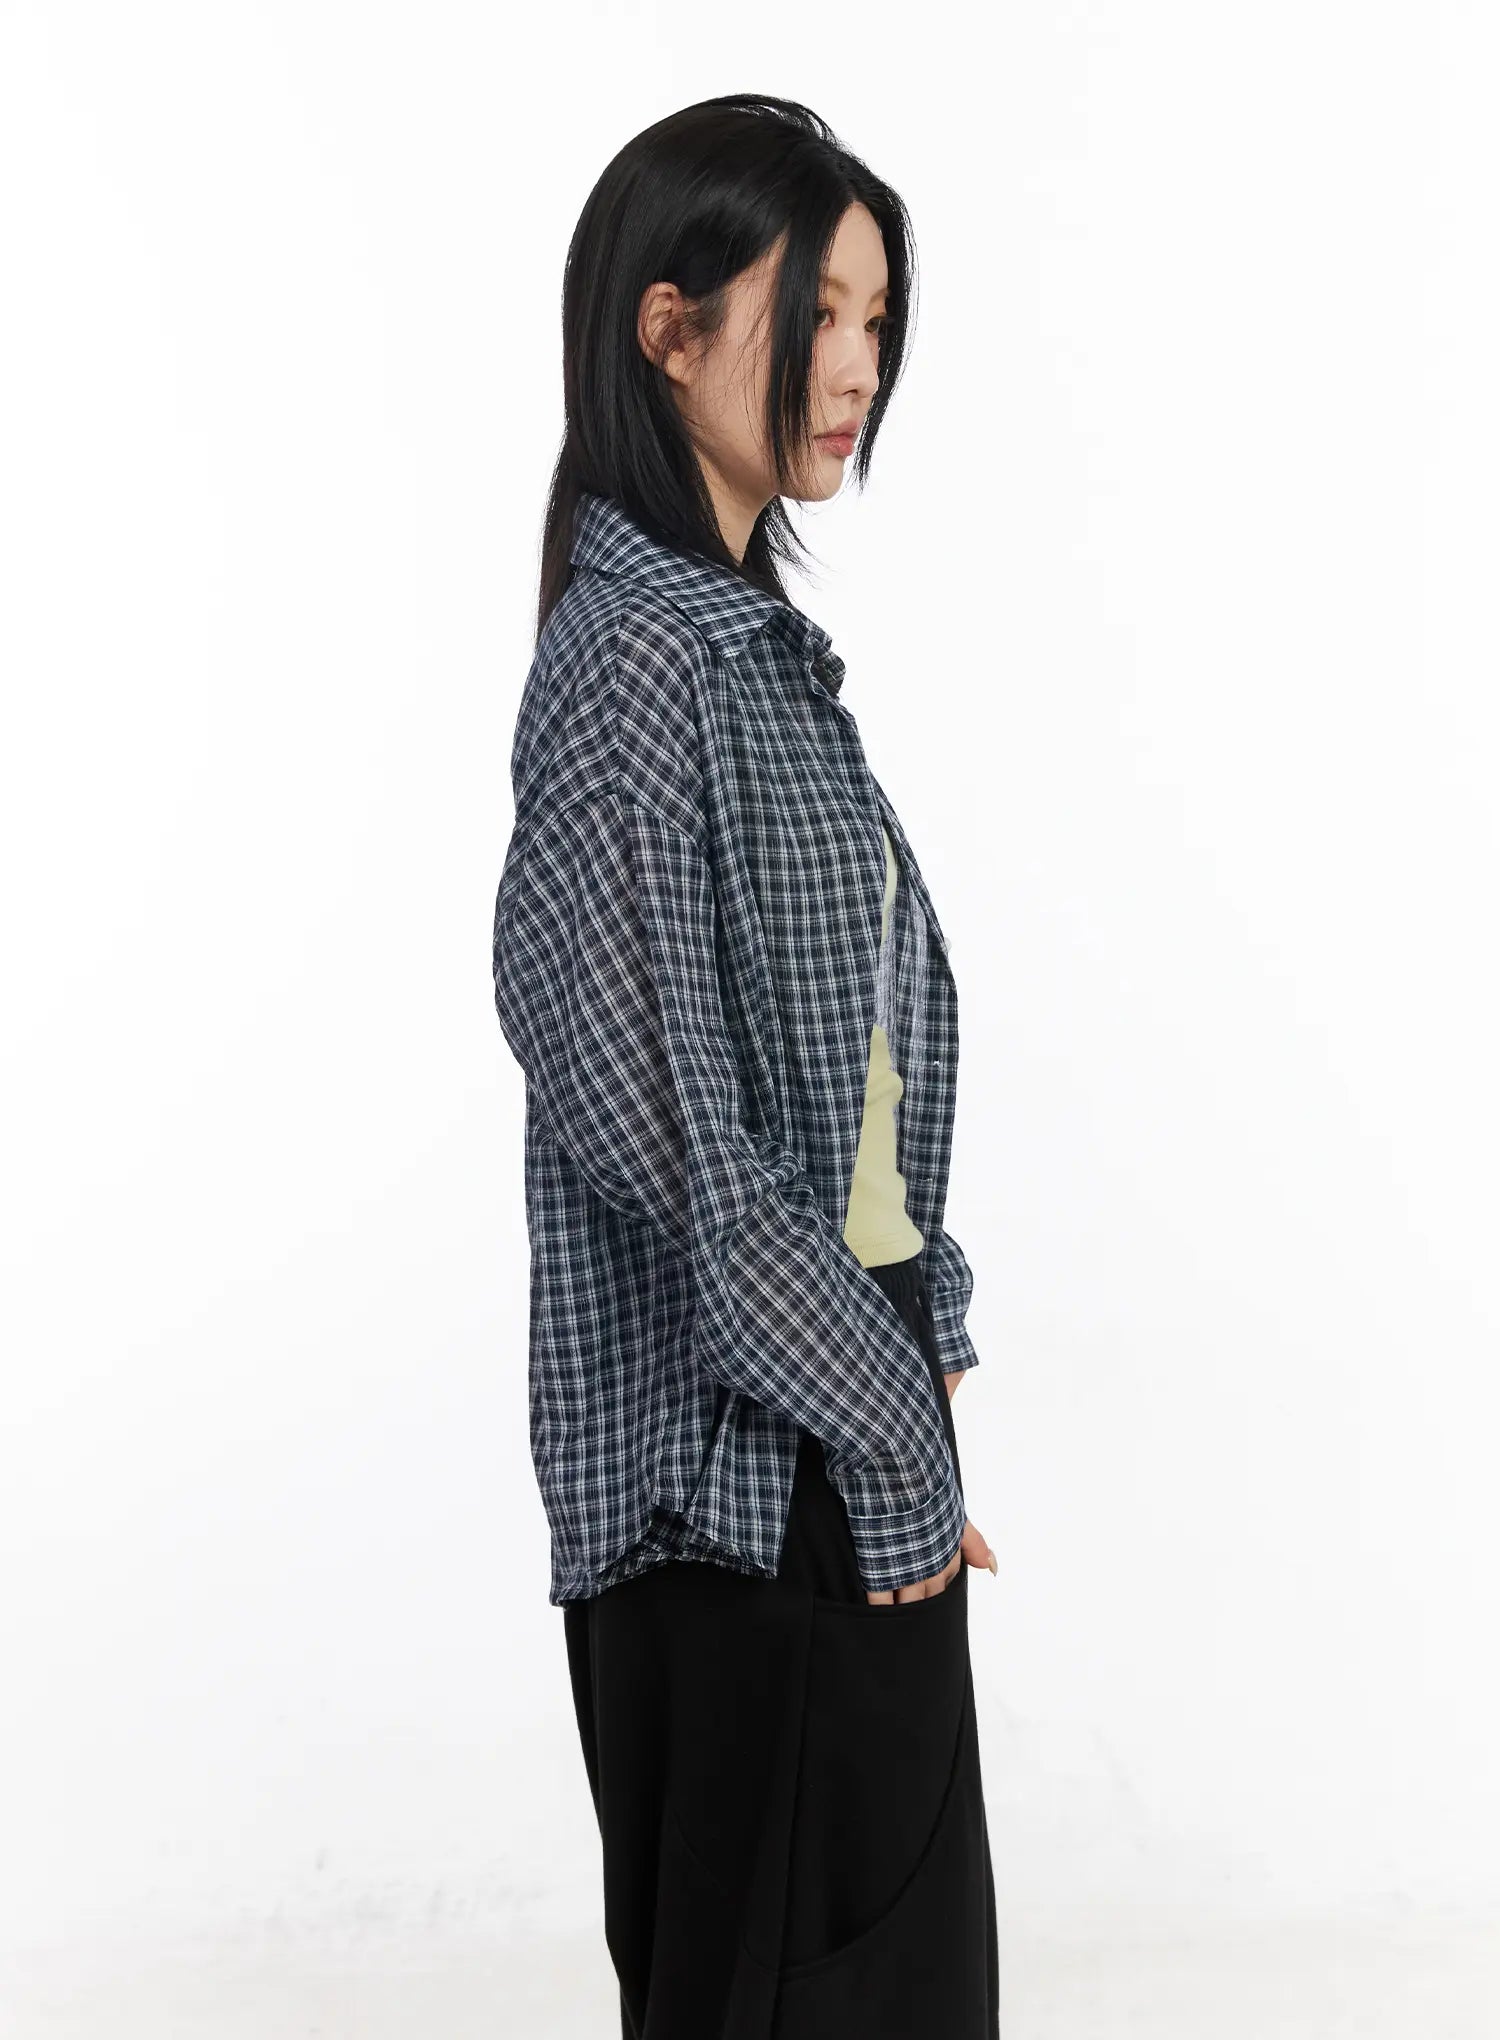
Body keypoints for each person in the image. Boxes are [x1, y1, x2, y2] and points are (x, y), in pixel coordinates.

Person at [492, 93, 1002, 2039]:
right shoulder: (638, 672)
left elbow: (853, 1097)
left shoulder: (754, 660)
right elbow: (693, 1165)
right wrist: (889, 1440)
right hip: (737, 1497)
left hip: (835, 1438)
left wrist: (918, 1349)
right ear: (670, 328)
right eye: (821, 313)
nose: (857, 367)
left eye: (879, 318)